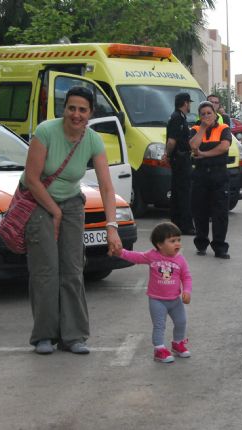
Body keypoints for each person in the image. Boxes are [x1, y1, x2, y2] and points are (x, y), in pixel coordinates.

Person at [23, 86, 123, 355]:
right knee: (45, 271)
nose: (76, 114)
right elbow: (32, 179)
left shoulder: (92, 140)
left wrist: (111, 227)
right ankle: (44, 335)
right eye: (71, 108)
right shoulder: (46, 132)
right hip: (39, 202)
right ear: (64, 109)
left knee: (73, 269)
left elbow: (106, 187)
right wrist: (55, 211)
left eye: (82, 110)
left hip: (71, 204)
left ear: (90, 113)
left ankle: (74, 335)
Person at [115, 222, 192, 364]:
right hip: (157, 300)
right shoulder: (152, 256)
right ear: (160, 244)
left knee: (181, 321)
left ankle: (177, 343)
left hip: (175, 300)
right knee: (159, 325)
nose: (177, 244)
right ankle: (159, 349)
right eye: (172, 241)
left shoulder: (180, 260)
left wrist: (187, 291)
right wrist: (120, 252)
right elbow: (136, 257)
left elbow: (186, 276)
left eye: (178, 240)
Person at [189, 101, 232, 259]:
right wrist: (202, 128)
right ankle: (201, 243)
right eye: (203, 114)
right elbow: (193, 145)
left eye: (209, 113)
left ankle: (220, 247)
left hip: (219, 174)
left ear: (215, 114)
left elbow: (224, 147)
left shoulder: (224, 128)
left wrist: (204, 154)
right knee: (199, 211)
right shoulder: (195, 129)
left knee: (220, 213)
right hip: (200, 175)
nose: (206, 116)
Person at [164, 92, 195, 235]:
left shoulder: (178, 117)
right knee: (184, 193)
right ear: (185, 103)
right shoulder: (177, 118)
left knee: (178, 192)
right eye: (189, 103)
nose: (190, 106)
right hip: (180, 159)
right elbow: (172, 141)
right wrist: (167, 154)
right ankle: (185, 225)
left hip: (180, 159)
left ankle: (176, 223)